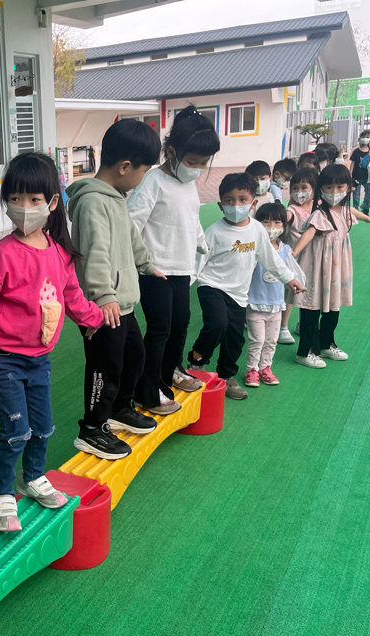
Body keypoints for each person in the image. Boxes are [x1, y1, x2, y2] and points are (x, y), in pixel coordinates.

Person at [0, 152, 105, 533]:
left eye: (34, 199)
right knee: (16, 431)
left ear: (52, 203)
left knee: (44, 427)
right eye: (15, 199)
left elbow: (71, 294)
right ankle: (0, 494)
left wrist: (93, 318)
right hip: (4, 359)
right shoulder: (3, 255)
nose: (24, 207)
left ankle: (32, 477)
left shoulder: (59, 253)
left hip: (40, 360)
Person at [66, 119, 164, 460]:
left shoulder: (116, 197)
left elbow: (131, 238)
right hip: (103, 307)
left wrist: (146, 265)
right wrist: (103, 295)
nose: (143, 178)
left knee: (134, 357)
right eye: (144, 171)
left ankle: (121, 409)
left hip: (122, 304)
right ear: (124, 167)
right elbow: (94, 253)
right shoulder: (93, 202)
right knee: (103, 369)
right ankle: (92, 429)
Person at [127, 105, 220, 415]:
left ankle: (168, 376)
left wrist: (202, 243)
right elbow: (132, 222)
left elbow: (191, 219)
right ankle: (147, 390)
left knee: (180, 326)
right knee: (160, 330)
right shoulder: (153, 181)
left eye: (204, 163)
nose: (198, 169)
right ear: (171, 152)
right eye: (192, 162)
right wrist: (140, 262)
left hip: (182, 269)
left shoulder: (188, 184)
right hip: (154, 270)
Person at [184, 173, 305, 401]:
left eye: (242, 200)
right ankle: (196, 360)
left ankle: (226, 377)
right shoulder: (214, 232)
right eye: (229, 200)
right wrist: (184, 286)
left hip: (239, 293)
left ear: (253, 203)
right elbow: (197, 262)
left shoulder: (257, 229)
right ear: (220, 205)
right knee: (217, 324)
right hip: (212, 285)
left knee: (235, 338)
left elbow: (270, 258)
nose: (236, 205)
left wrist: (289, 278)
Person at [290, 164, 370, 368]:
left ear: (348, 188)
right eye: (329, 187)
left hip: (336, 268)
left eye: (340, 187)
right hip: (317, 268)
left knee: (333, 307)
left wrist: (369, 219)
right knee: (312, 308)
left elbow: (354, 212)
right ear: (321, 189)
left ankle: (325, 345)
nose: (334, 192)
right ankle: (305, 352)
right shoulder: (320, 214)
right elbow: (309, 233)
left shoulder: (344, 211)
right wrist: (294, 253)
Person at [244, 203, 305, 387]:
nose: (272, 227)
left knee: (271, 340)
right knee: (257, 340)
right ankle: (252, 370)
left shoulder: (285, 249)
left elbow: (293, 271)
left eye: (277, 222)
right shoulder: (253, 248)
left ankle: (265, 368)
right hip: (255, 303)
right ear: (257, 223)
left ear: (284, 226)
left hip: (276, 304)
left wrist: (300, 284)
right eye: (266, 222)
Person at [278, 167, 318, 345]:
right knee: (290, 292)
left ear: (314, 189)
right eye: (295, 188)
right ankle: (283, 327)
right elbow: (281, 222)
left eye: (304, 188)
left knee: (307, 290)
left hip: (312, 257)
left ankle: (302, 323)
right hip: (293, 259)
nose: (299, 192)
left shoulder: (318, 208)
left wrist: (366, 218)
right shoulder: (292, 210)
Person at [348, 129, 370, 209]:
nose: (365, 139)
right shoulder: (356, 151)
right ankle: (356, 208)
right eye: (363, 137)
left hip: (368, 177)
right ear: (360, 138)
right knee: (356, 194)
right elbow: (353, 163)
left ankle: (365, 207)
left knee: (369, 193)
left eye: (367, 137)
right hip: (356, 176)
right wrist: (350, 174)